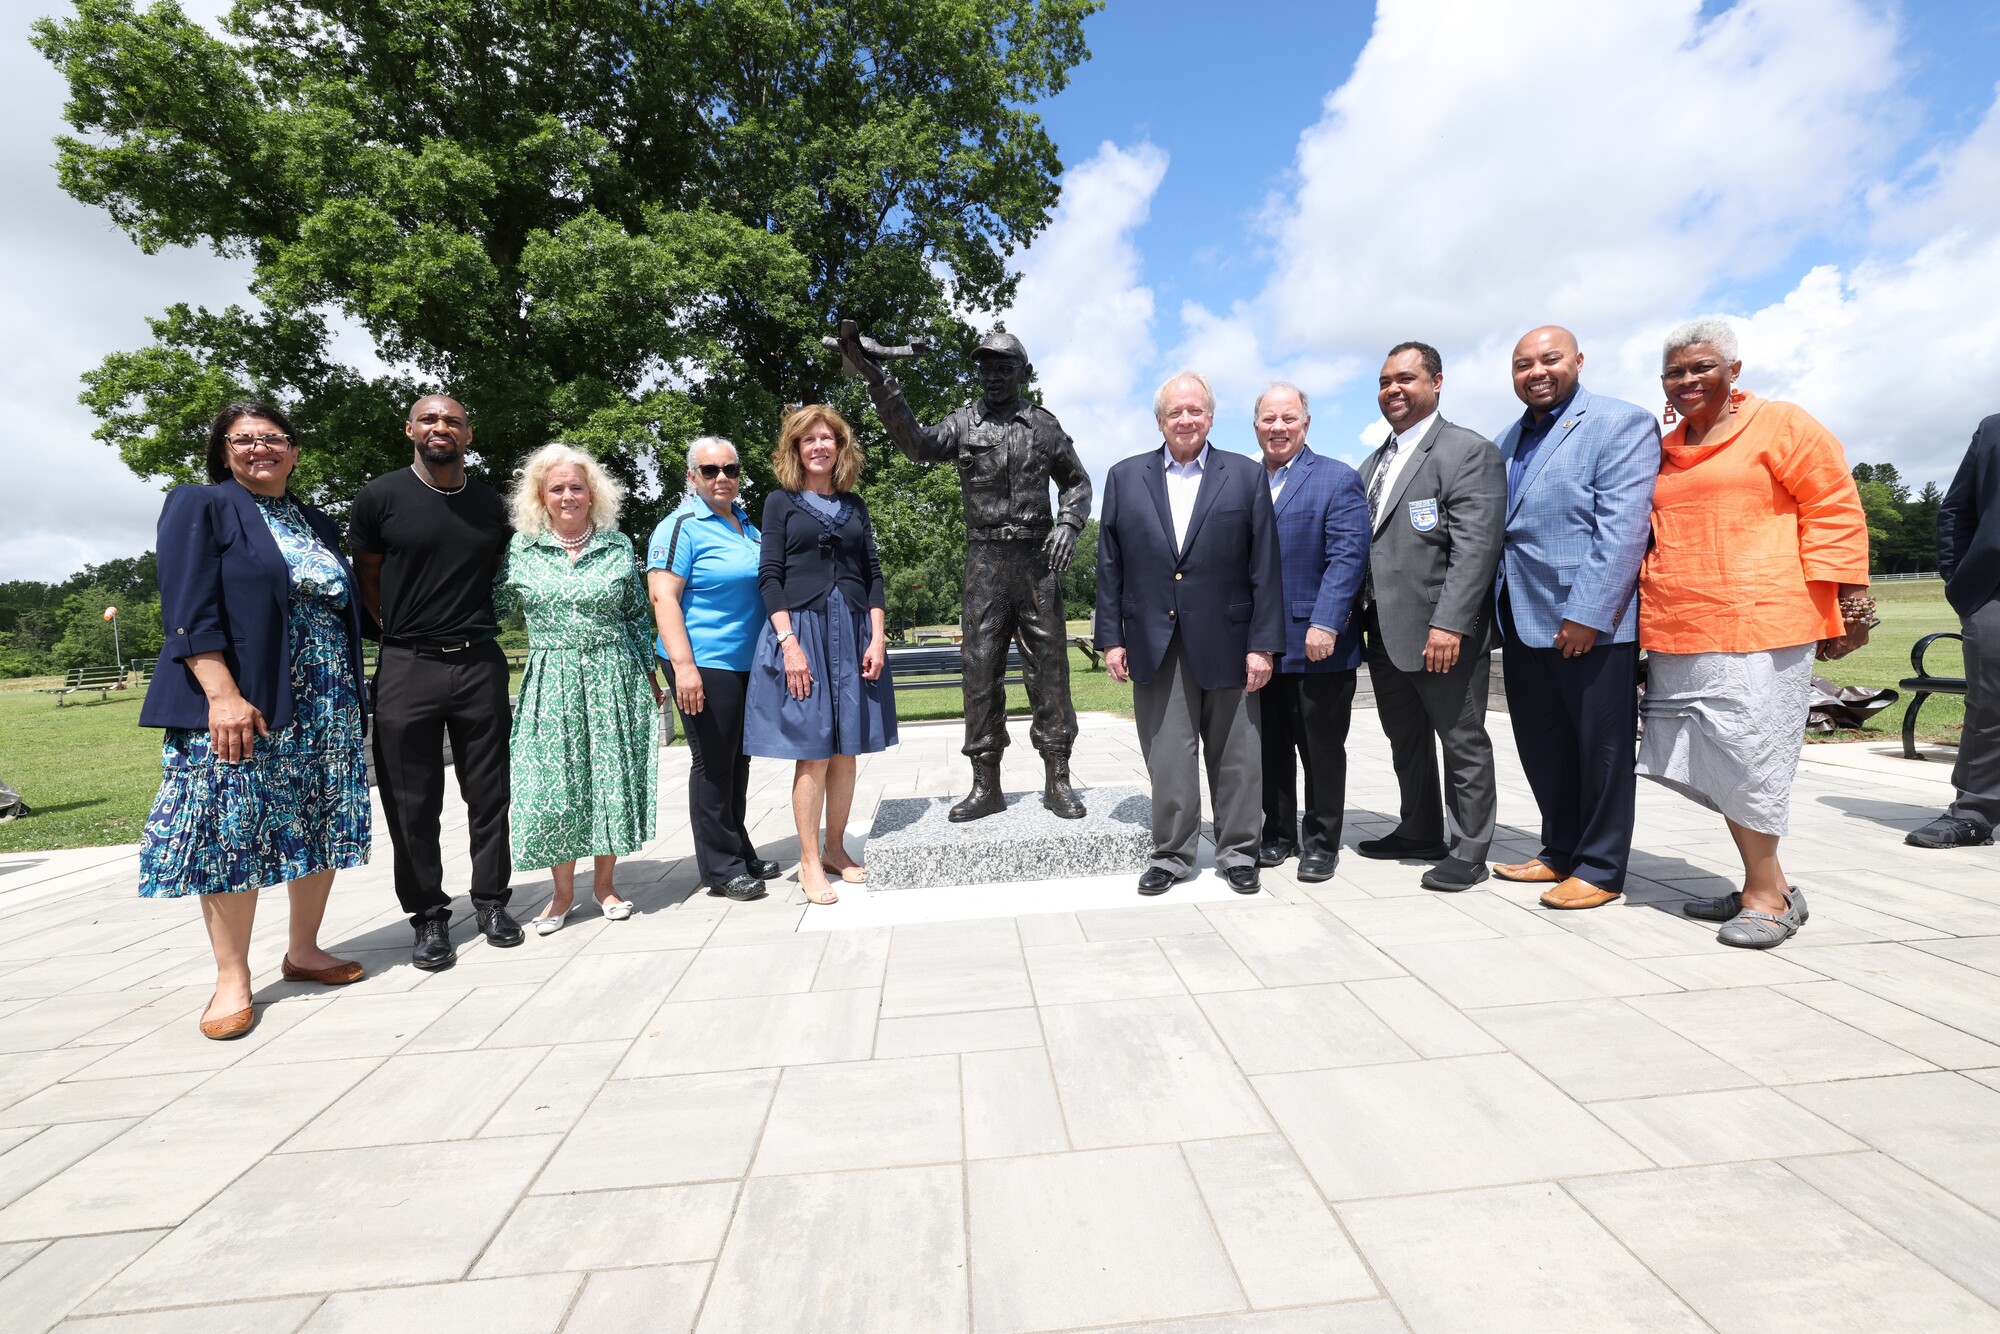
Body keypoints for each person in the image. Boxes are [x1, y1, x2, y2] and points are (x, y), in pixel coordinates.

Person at [138, 403, 369, 1039]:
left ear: (294, 453)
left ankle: (304, 951)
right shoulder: (201, 505)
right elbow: (188, 609)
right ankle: (232, 977)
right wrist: (221, 696)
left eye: (273, 439)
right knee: (232, 829)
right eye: (243, 440)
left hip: (326, 699)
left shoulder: (313, 521)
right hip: (246, 700)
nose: (260, 448)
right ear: (223, 451)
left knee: (317, 817)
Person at [1640, 318, 1872, 948]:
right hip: (1681, 624)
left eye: (1701, 368)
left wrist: (1851, 601)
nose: (1688, 381)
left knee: (1752, 759)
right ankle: (1763, 883)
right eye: (1675, 372)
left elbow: (1833, 507)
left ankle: (1769, 897)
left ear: (1733, 370)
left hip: (1764, 621)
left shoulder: (1783, 424)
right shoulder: (1664, 446)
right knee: (1717, 761)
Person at [851, 328, 1093, 820]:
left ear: (1023, 373)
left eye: (1005, 367)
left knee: (1050, 671)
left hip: (1036, 563)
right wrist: (882, 383)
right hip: (984, 562)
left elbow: (1077, 482)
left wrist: (1069, 522)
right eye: (986, 367)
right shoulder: (963, 424)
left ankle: (1058, 779)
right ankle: (987, 785)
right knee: (979, 671)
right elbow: (917, 445)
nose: (994, 376)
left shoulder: (1044, 427)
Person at [1096, 370, 1285, 896]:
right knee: (1169, 757)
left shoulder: (1245, 476)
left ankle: (1238, 852)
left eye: (1195, 410)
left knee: (1238, 755)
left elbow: (1265, 566)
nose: (1185, 419)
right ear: (1160, 419)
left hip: (1230, 639)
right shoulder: (1123, 476)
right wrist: (1111, 637)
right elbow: (1109, 566)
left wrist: (1263, 644)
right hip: (1154, 642)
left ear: (1210, 416)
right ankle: (1173, 854)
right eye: (1175, 412)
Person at [1490, 327, 1659, 910]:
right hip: (1520, 616)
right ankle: (1560, 849)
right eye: (1522, 364)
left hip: (1589, 624)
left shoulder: (1620, 423)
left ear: (1579, 361)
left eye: (1549, 359)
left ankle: (1602, 866)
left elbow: (1623, 527)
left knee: (1601, 751)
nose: (1535, 371)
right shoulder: (1507, 439)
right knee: (1544, 745)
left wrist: (1589, 612)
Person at [349, 395, 520, 970]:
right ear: (410, 430)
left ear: (468, 434)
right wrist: (398, 630)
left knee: (490, 793)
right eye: (429, 419)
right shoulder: (380, 497)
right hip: (406, 663)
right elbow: (367, 577)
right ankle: (427, 918)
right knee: (410, 801)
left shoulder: (491, 505)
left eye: (452, 420)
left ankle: (493, 902)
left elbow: (493, 569)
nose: (440, 427)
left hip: (478, 661)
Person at [1355, 342, 1506, 892]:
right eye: (1384, 381)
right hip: (1384, 634)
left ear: (1436, 383)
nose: (1392, 389)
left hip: (1441, 635)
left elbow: (1476, 550)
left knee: (1461, 739)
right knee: (1406, 739)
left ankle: (1469, 850)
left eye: (1406, 378)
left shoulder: (1468, 451)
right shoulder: (1374, 463)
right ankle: (1418, 828)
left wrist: (1449, 624)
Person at [499, 444, 662, 934]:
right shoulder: (520, 548)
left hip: (614, 674)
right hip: (552, 678)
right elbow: (491, 608)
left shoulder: (618, 546)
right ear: (540, 497)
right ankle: (562, 894)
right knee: (557, 786)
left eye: (576, 487)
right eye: (557, 488)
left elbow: (636, 615)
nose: (568, 496)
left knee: (610, 778)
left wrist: (650, 675)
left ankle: (605, 886)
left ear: (593, 494)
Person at [743, 406, 898, 905]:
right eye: (807, 439)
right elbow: (770, 578)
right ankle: (809, 860)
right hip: (802, 632)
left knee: (845, 750)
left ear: (840, 447)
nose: (818, 446)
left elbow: (872, 575)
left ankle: (835, 847)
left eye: (827, 438)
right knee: (812, 752)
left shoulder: (856, 505)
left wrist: (876, 638)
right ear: (795, 448)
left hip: (854, 632)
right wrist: (789, 645)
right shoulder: (779, 503)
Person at [647, 437, 784, 901]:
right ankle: (722, 870)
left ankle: (739, 849)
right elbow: (663, 597)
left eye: (729, 468)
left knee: (737, 761)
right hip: (703, 660)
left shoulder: (745, 524)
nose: (721, 477)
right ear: (691, 477)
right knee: (712, 764)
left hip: (747, 662)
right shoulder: (679, 527)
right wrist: (684, 669)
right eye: (709, 470)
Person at [1252, 382, 1369, 882]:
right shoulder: (1243, 480)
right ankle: (1277, 834)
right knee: (1270, 749)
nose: (1278, 427)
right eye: (1268, 419)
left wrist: (1325, 622)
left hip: (1318, 646)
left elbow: (1348, 557)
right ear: (1256, 425)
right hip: (1261, 647)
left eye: (1288, 418)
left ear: (1306, 422)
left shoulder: (1336, 479)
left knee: (1320, 750)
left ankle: (1322, 841)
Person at [1907, 414, 2000, 849]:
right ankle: (1975, 812)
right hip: (1993, 593)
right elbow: (1956, 511)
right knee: (1990, 704)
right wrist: (1960, 582)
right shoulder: (1994, 428)